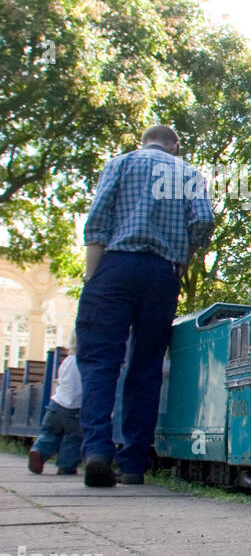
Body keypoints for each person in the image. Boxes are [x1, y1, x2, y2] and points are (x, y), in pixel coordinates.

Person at [76, 125, 214, 487]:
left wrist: (93, 278)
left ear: (144, 142)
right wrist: (183, 259)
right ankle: (134, 463)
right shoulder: (188, 173)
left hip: (115, 267)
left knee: (100, 363)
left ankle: (96, 451)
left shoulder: (120, 164)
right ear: (176, 145)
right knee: (147, 366)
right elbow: (203, 221)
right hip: (161, 274)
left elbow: (98, 220)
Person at [28, 339, 82, 476]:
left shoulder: (68, 360)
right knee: (74, 438)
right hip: (75, 408)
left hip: (56, 404)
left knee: (50, 433)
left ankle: (39, 451)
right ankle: (66, 466)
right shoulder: (86, 362)